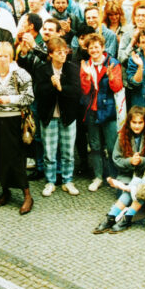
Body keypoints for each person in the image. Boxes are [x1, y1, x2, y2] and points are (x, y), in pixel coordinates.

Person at [0, 42, 35, 214]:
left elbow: (29, 97)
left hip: (13, 120)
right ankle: (5, 190)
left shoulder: (20, 74)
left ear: (11, 57)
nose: (2, 59)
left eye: (5, 56)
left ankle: (27, 195)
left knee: (15, 157)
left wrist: (9, 99)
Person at [34, 36, 81, 196]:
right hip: (49, 115)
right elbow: (39, 92)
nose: (63, 55)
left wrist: (60, 87)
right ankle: (50, 182)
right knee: (49, 152)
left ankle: (68, 180)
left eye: (65, 52)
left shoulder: (72, 68)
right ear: (51, 54)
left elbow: (76, 92)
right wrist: (52, 86)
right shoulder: (42, 69)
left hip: (68, 116)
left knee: (68, 152)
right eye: (59, 52)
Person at [80, 33, 124, 191]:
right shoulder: (85, 64)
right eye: (90, 47)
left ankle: (113, 176)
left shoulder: (113, 63)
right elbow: (85, 91)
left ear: (103, 47)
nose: (94, 50)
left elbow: (118, 87)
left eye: (96, 47)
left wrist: (111, 76)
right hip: (92, 110)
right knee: (95, 146)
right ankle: (98, 177)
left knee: (112, 146)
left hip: (108, 110)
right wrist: (85, 76)